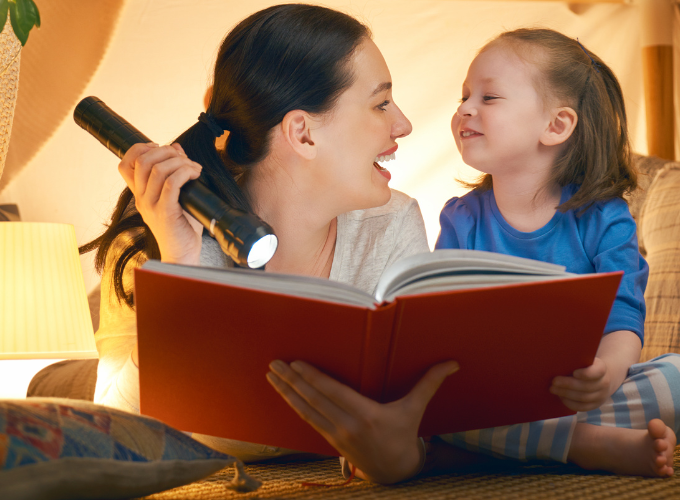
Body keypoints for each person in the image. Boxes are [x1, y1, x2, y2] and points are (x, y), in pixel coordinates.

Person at [84, 4, 458, 482]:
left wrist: (402, 454)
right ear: (302, 132)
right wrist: (180, 266)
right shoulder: (154, 235)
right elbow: (115, 439)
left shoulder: (391, 224)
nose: (402, 124)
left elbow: (422, 416)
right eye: (381, 103)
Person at [432, 28, 680, 477]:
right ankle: (582, 443)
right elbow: (441, 333)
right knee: (425, 399)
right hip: (490, 392)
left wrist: (607, 374)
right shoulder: (460, 220)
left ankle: (490, 449)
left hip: (576, 392)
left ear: (556, 125)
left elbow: (623, 314)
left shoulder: (605, 219)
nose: (465, 109)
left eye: (489, 97)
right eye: (464, 97)